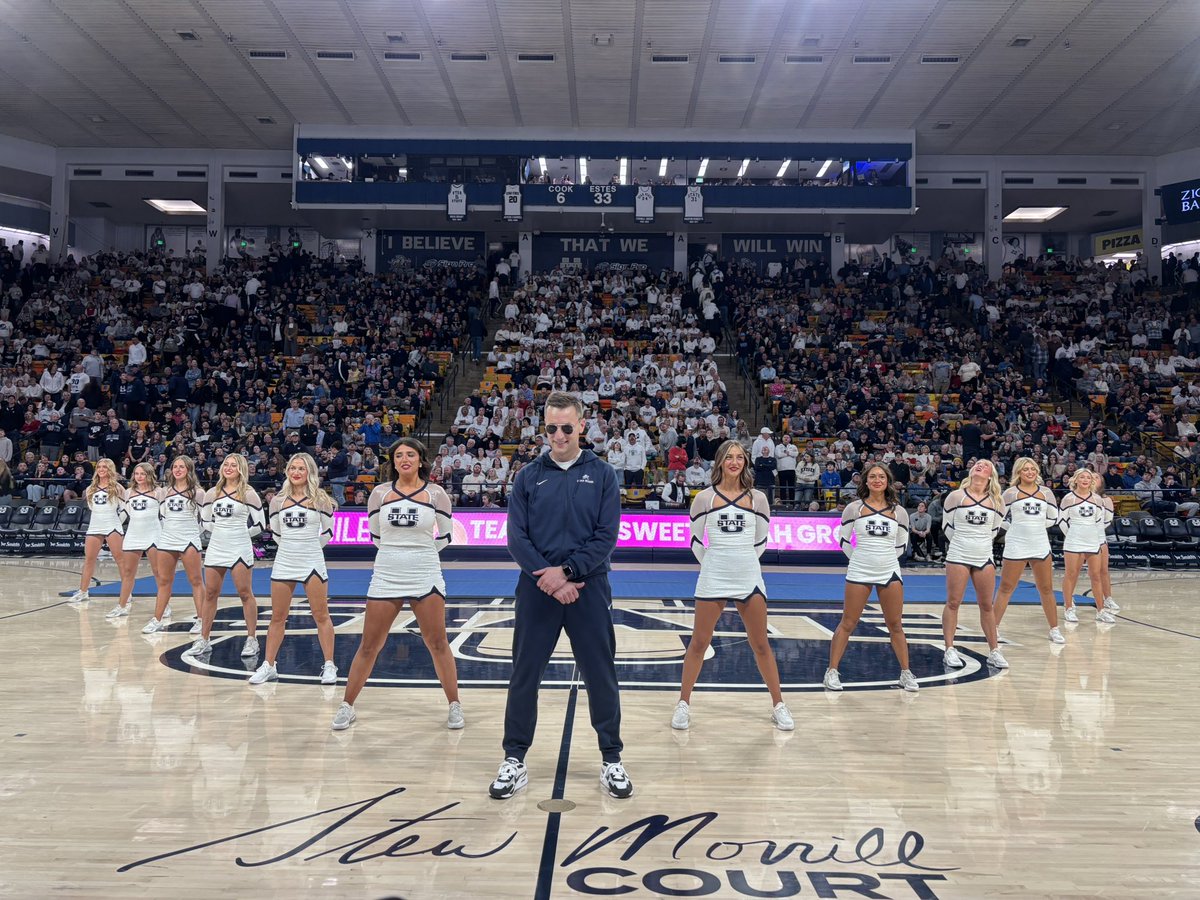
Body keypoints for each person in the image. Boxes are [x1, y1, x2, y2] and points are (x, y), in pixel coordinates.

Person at [489, 391, 631, 801]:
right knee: (524, 675)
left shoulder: (603, 474)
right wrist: (550, 578)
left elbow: (606, 537)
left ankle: (612, 758)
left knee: (601, 674)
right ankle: (514, 759)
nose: (559, 435)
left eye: (567, 427)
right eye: (552, 428)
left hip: (588, 587)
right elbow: (516, 538)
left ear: (582, 426)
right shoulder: (529, 475)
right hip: (537, 589)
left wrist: (567, 573)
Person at [332, 438, 460, 730]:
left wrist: (421, 553)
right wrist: (396, 553)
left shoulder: (436, 493)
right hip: (387, 573)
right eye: (399, 455)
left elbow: (446, 536)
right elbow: (376, 535)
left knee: (438, 643)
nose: (404, 459)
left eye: (410, 455)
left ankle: (454, 704)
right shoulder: (379, 493)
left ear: (420, 460)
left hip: (425, 571)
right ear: (393, 462)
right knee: (369, 645)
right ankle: (347, 705)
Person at [672, 440, 792, 731]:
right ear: (720, 462)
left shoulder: (758, 498)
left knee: (761, 643)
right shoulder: (703, 498)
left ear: (745, 463)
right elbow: (696, 541)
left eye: (740, 457)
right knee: (699, 642)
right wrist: (714, 562)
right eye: (729, 457)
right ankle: (683, 704)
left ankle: (779, 705)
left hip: (748, 576)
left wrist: (743, 560)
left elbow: (761, 541)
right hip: (714, 575)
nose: (735, 462)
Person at [824, 464, 917, 692]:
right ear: (865, 481)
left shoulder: (899, 512)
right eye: (872, 476)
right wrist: (859, 559)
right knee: (848, 622)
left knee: (895, 624)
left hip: (889, 571)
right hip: (859, 570)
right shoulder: (854, 509)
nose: (877, 480)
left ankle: (905, 673)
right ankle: (831, 672)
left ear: (888, 481)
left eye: (881, 476)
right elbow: (844, 540)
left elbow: (902, 544)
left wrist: (885, 559)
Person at [250, 453, 338, 686]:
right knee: (277, 617)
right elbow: (277, 533)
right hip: (285, 561)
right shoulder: (278, 500)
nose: (296, 472)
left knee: (321, 615)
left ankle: (329, 665)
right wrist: (292, 547)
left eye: (301, 468)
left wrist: (309, 547)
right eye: (292, 468)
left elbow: (328, 532)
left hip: (312, 561)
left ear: (309, 472)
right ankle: (269, 665)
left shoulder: (321, 499)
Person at [186, 453, 265, 659]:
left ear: (241, 469)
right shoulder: (213, 492)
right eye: (226, 464)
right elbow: (204, 521)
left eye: (233, 465)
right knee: (211, 593)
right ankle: (204, 639)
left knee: (245, 593)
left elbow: (260, 525)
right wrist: (220, 531)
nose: (228, 468)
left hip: (239, 546)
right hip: (217, 546)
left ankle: (251, 639)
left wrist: (240, 533)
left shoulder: (249, 493)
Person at [941, 459, 1008, 669]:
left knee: (987, 605)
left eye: (985, 465)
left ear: (991, 475)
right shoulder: (955, 496)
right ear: (971, 470)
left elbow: (995, 531)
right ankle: (949, 649)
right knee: (953, 602)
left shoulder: (997, 501)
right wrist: (964, 543)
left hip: (984, 556)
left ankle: (994, 651)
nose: (980, 466)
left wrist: (979, 545)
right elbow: (947, 527)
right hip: (959, 553)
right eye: (977, 464)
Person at [993, 458, 1064, 644]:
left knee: (1046, 588)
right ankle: (993, 628)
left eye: (1033, 469)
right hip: (1016, 543)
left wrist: (1038, 526)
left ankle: (1054, 629)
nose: (1030, 472)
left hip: (1040, 543)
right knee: (1006, 588)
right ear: (1018, 473)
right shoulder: (1010, 493)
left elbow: (1053, 518)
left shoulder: (1046, 493)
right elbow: (998, 517)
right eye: (1026, 470)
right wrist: (1014, 527)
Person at [142, 456, 206, 635]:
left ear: (189, 470)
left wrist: (192, 533)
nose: (178, 470)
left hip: (188, 539)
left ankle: (201, 619)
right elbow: (162, 515)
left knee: (195, 580)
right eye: (175, 466)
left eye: (182, 467)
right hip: (167, 539)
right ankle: (157, 619)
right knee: (163, 581)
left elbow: (204, 519)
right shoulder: (164, 492)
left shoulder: (198, 492)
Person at [1059, 469, 1117, 624]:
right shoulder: (1068, 498)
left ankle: (1101, 610)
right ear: (1075, 480)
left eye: (1088, 477)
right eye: (1082, 477)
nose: (1085, 480)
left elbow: (1100, 520)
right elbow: (1062, 521)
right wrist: (1071, 534)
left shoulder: (1098, 499)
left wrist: (1093, 536)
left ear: (1092, 481)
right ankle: (1069, 608)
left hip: (1092, 541)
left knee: (1096, 575)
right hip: (1073, 541)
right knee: (1071, 574)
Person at [69, 458, 130, 605]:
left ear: (110, 469)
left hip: (112, 526)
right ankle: (83, 591)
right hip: (95, 526)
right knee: (89, 560)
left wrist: (117, 522)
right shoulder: (90, 488)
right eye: (99, 467)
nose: (101, 469)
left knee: (120, 560)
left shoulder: (118, 487)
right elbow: (92, 507)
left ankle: (127, 593)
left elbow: (126, 509)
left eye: (104, 467)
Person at [108, 462, 160, 618]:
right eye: (137, 474)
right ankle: (122, 605)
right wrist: (114, 525)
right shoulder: (128, 492)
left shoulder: (159, 492)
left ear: (149, 475)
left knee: (158, 572)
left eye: (142, 474)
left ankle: (165, 605)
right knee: (128, 572)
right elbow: (124, 513)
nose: (139, 477)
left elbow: (165, 513)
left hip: (153, 534)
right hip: (133, 534)